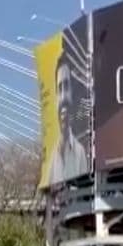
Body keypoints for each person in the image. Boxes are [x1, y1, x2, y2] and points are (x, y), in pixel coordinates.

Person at [49, 55, 89, 183]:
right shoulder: (53, 156)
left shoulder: (81, 151)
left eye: (66, 86)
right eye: (59, 88)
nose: (63, 97)